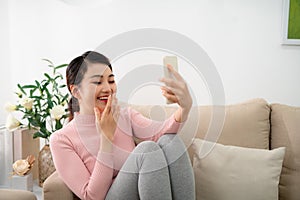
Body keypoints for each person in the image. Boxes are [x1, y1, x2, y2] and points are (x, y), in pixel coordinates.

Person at [50, 51, 195, 200]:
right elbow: (92, 196)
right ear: (76, 91)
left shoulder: (124, 116)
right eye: (98, 82)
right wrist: (106, 138)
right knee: (146, 150)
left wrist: (185, 108)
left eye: (111, 81)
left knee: (169, 140)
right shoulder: (62, 139)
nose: (107, 88)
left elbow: (161, 132)